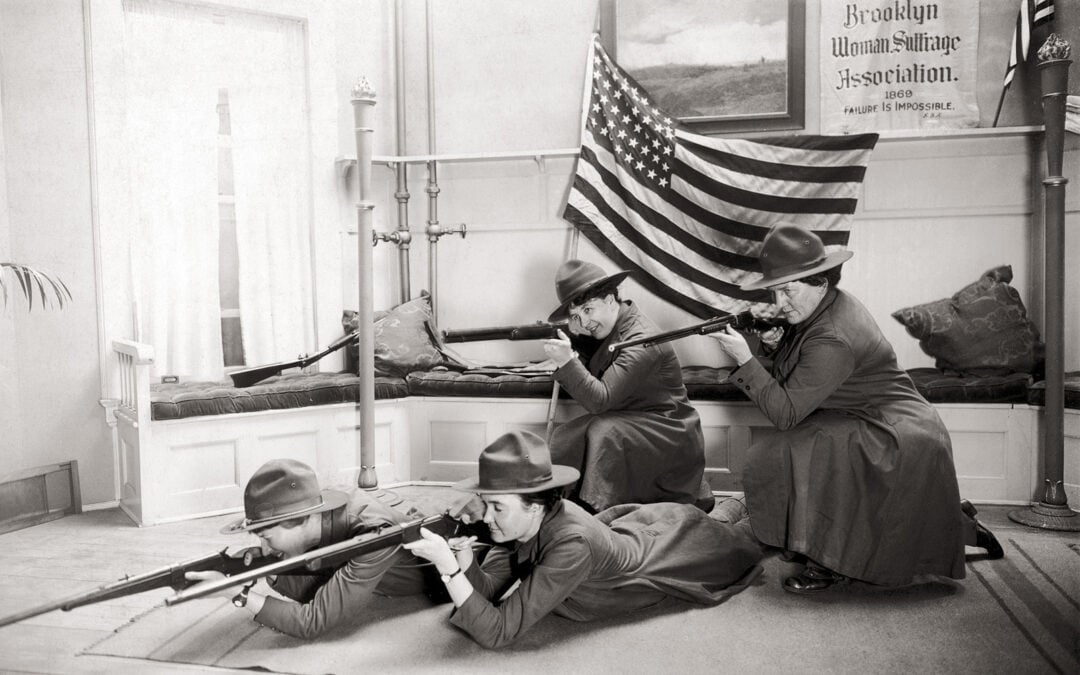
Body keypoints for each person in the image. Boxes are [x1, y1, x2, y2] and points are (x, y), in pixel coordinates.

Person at [708, 223, 1004, 594]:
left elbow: (785, 412)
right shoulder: (825, 304)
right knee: (792, 449)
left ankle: (829, 561)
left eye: (788, 290)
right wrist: (773, 345)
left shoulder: (832, 334)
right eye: (774, 291)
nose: (779, 303)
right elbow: (804, 370)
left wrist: (743, 359)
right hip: (869, 414)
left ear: (820, 280)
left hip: (895, 432)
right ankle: (959, 524)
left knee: (785, 448)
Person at [403, 430, 764, 649]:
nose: (486, 516)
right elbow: (490, 592)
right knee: (719, 515)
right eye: (487, 504)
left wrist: (449, 571)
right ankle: (732, 505)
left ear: (533, 506)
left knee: (755, 536)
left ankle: (745, 500)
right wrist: (464, 565)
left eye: (497, 506)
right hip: (647, 526)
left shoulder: (570, 546)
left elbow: (498, 631)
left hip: (676, 549)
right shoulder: (519, 523)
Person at [185, 458, 441, 638]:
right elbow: (319, 578)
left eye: (266, 537)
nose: (263, 547)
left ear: (298, 521)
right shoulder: (321, 507)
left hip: (449, 582)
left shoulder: (372, 536)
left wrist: (236, 593)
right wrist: (268, 568)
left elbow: (312, 622)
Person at [541, 259, 713, 513]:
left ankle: (598, 511)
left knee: (602, 430)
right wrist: (574, 352)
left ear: (611, 299)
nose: (585, 322)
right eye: (577, 316)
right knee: (568, 433)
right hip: (636, 422)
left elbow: (600, 400)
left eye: (589, 310)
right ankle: (560, 504)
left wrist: (567, 361)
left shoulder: (642, 338)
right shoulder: (610, 329)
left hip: (668, 433)